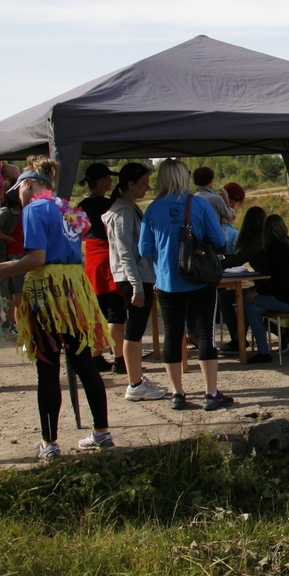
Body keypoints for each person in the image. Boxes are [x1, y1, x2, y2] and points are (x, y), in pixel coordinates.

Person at [0, 158, 113, 461]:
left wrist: (5, 271)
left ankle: (49, 443)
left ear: (29, 183)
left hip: (48, 292)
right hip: (74, 289)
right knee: (83, 361)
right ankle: (102, 432)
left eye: (18, 189)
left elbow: (37, 257)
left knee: (47, 367)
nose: (18, 196)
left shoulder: (34, 208)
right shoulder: (65, 207)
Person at [140, 159, 229, 410]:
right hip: (199, 278)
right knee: (205, 335)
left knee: (172, 335)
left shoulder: (152, 208)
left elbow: (144, 248)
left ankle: (177, 393)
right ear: (183, 177)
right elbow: (218, 239)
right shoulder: (198, 203)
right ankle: (211, 392)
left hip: (167, 280)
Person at [102, 162, 167, 401]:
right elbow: (125, 251)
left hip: (138, 277)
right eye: (143, 183)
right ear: (130, 184)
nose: (147, 188)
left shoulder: (130, 210)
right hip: (134, 279)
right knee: (134, 332)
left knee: (136, 331)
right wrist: (137, 286)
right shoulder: (122, 213)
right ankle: (135, 383)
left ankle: (136, 378)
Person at [243, 213, 289, 363]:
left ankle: (247, 344)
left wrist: (258, 291)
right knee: (252, 308)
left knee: (247, 301)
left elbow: (281, 280)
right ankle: (264, 349)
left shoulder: (275, 249)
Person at [77, 162, 119, 372]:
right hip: (106, 255)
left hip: (90, 257)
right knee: (114, 309)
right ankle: (119, 355)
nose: (111, 182)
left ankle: (95, 355)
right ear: (101, 181)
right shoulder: (108, 204)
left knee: (97, 309)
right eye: (109, 178)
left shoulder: (81, 206)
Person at [218, 205, 267, 356]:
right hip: (265, 285)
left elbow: (240, 259)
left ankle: (238, 339)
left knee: (241, 299)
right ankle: (237, 338)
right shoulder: (262, 238)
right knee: (228, 297)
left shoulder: (258, 240)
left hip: (267, 287)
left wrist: (214, 264)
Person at [0, 185, 26, 334]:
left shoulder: (25, 210)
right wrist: (6, 237)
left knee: (20, 295)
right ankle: (18, 326)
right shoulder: (7, 212)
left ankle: (19, 325)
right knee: (16, 295)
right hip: (13, 256)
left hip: (26, 255)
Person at [219, 181, 247, 250]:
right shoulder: (217, 204)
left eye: (236, 199)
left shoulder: (231, 210)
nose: (233, 201)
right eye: (231, 197)